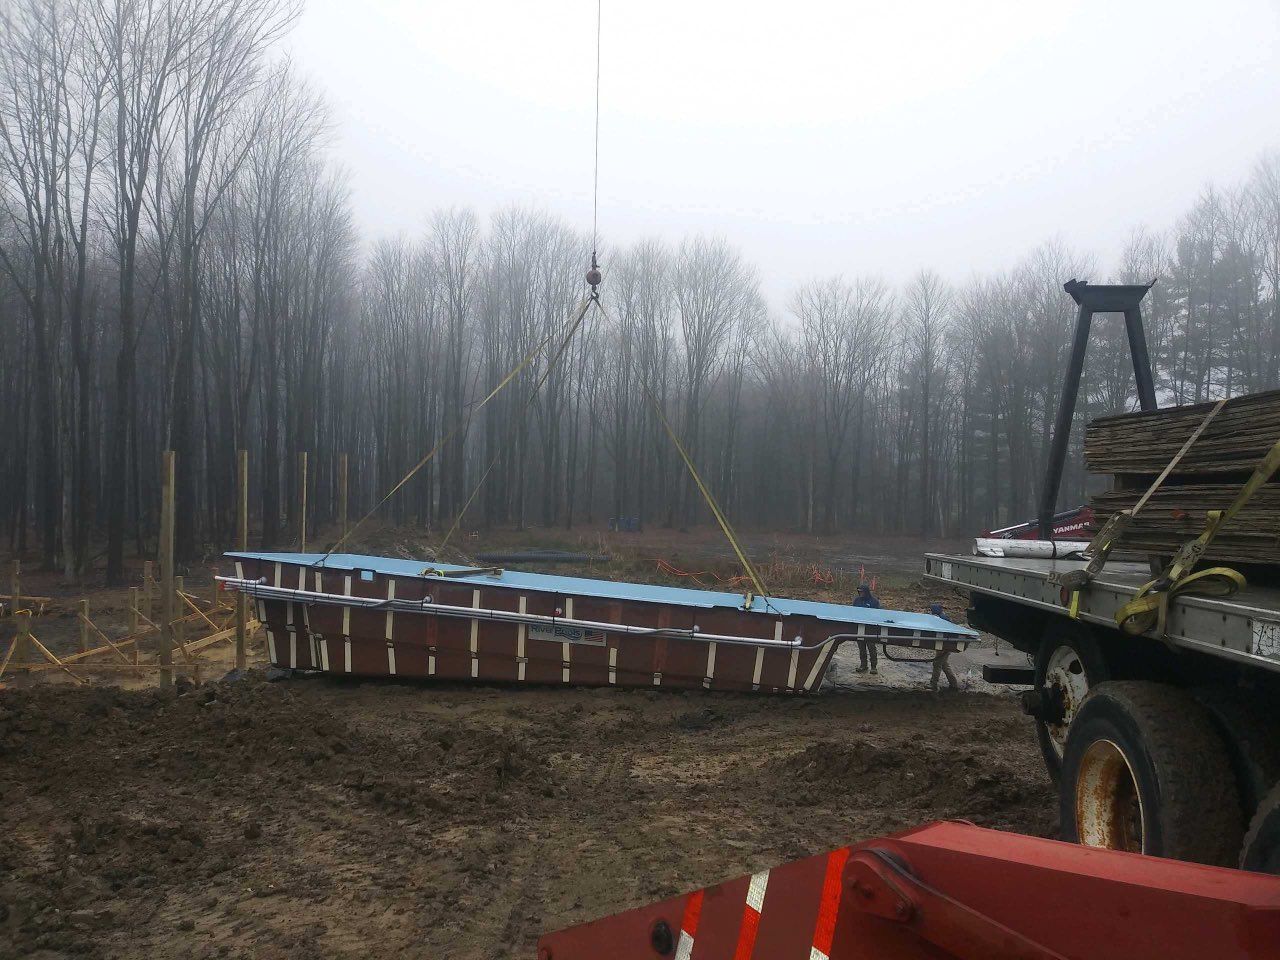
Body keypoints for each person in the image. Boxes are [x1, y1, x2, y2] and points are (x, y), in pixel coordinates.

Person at [928, 602, 959, 692]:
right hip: (946, 645)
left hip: (944, 646)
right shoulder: (944, 617)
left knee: (937, 663)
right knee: (944, 665)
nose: (931, 612)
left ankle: (933, 685)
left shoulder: (941, 619)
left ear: (935, 610)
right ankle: (954, 684)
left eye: (932, 610)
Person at [852, 583, 880, 674]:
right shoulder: (857, 600)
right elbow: (853, 612)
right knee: (861, 647)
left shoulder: (874, 601)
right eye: (859, 592)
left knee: (871, 647)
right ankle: (863, 665)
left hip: (870, 628)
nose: (861, 594)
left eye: (862, 592)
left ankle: (873, 667)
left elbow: (878, 614)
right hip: (859, 627)